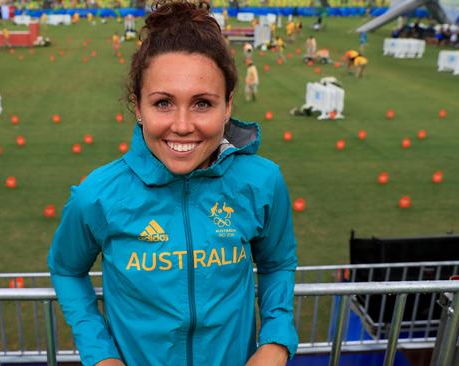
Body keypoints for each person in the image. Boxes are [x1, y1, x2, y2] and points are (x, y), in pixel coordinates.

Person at [47, 1, 298, 365]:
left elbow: (277, 263)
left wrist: (275, 340)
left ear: (227, 106)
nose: (182, 125)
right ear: (137, 106)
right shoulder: (98, 195)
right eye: (163, 103)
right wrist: (100, 354)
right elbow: (67, 269)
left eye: (202, 104)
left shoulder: (263, 181)